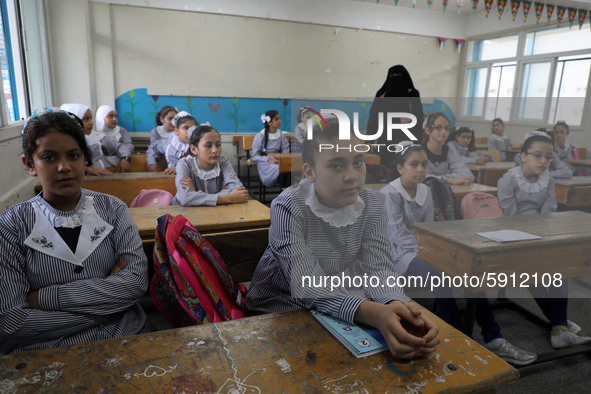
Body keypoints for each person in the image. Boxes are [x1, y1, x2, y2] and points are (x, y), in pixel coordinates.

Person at [246, 117, 440, 359]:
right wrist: (373, 312)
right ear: (310, 172)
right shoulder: (288, 206)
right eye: (336, 165)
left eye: (358, 162)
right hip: (280, 307)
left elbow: (378, 267)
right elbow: (308, 284)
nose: (352, 176)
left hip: (342, 299)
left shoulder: (373, 204)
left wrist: (393, 304)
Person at [0, 109, 149, 354]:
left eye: (73, 155)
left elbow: (135, 283)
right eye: (48, 157)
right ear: (29, 164)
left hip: (125, 335)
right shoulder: (11, 227)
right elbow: (13, 322)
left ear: (85, 158)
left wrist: (44, 299)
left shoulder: (113, 209)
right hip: (47, 350)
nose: (64, 167)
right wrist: (108, 306)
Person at [380, 142, 536, 365]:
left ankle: (494, 338)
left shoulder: (425, 189)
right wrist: (434, 257)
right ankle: (458, 340)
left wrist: (438, 253)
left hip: (423, 250)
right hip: (399, 256)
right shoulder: (390, 194)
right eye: (413, 164)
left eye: (424, 164)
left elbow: (430, 229)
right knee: (440, 277)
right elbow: (399, 238)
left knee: (467, 271)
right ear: (399, 168)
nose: (420, 170)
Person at [497, 131, 591, 349]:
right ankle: (559, 324)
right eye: (537, 155)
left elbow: (549, 213)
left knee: (560, 270)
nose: (543, 161)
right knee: (532, 275)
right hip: (510, 238)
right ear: (523, 156)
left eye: (548, 157)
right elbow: (507, 218)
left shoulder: (548, 179)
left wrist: (543, 237)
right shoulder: (509, 179)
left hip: (540, 234)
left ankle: (558, 326)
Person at [366, 65, 425, 172]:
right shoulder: (382, 94)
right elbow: (374, 119)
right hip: (386, 140)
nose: (396, 79)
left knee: (406, 168)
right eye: (393, 76)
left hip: (407, 139)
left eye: (399, 76)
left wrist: (418, 142)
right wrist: (368, 141)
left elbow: (419, 119)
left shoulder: (412, 94)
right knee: (387, 169)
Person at [172, 125, 248, 206]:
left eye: (218, 145)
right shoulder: (184, 164)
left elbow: (239, 191)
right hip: (182, 212)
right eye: (208, 146)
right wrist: (228, 198)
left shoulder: (222, 162)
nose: (215, 150)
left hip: (211, 212)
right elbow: (185, 198)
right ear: (194, 149)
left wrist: (195, 195)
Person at [60, 103, 112, 176]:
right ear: (74, 121)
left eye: (91, 118)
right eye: (86, 119)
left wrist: (124, 158)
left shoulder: (95, 137)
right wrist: (88, 169)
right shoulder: (65, 143)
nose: (91, 123)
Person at [422, 113, 474, 185]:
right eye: (438, 127)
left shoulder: (449, 151)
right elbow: (420, 176)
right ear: (427, 130)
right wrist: (449, 180)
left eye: (446, 128)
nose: (444, 132)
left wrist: (449, 177)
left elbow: (469, 175)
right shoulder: (418, 151)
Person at [251, 110, 290, 187]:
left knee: (287, 167)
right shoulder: (260, 136)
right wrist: (268, 159)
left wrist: (282, 159)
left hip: (278, 159)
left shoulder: (281, 135)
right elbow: (254, 156)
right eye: (276, 119)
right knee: (280, 169)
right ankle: (282, 189)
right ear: (269, 123)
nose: (280, 121)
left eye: (279, 118)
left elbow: (286, 151)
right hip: (265, 161)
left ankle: (286, 190)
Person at [95, 105, 135, 173]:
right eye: (110, 116)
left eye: (115, 116)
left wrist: (124, 157)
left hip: (123, 161)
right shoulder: (94, 135)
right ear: (101, 118)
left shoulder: (121, 131)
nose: (114, 119)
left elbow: (129, 145)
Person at [146, 105, 178, 172]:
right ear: (162, 119)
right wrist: (152, 162)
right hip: (162, 162)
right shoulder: (156, 132)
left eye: (175, 119)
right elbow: (153, 149)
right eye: (170, 119)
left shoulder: (179, 132)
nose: (173, 122)